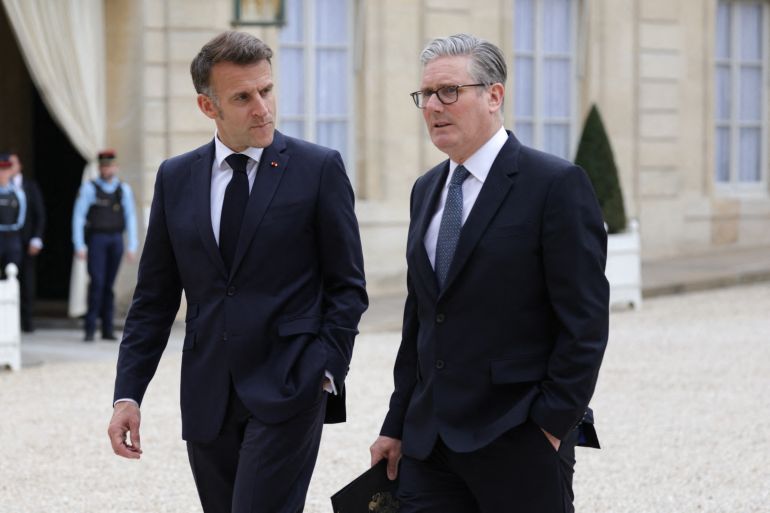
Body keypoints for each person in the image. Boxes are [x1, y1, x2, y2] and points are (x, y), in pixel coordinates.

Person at [107, 31, 367, 513]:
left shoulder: (318, 169)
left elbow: (348, 287)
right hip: (208, 396)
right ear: (209, 107)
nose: (262, 108)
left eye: (266, 91)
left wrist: (325, 372)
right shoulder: (175, 177)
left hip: (291, 387)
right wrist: (128, 395)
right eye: (243, 97)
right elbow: (154, 301)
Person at [369, 34, 609, 513]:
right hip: (428, 443)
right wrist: (396, 423)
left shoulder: (555, 185)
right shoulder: (426, 189)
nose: (434, 106)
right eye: (426, 95)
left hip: (517, 436)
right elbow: (420, 318)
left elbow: (585, 323)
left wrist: (550, 424)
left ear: (494, 95)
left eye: (449, 91)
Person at [71, 150, 138, 341]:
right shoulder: (89, 188)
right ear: (100, 168)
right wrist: (79, 244)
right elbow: (78, 216)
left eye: (110, 166)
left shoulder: (122, 189)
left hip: (115, 238)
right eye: (104, 166)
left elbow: (130, 217)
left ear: (115, 167)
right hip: (97, 239)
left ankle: (107, 329)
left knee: (109, 285)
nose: (107, 169)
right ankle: (90, 328)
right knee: (97, 283)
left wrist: (132, 245)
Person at [11, 153, 46, 332]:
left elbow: (39, 214)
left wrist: (37, 238)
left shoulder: (30, 186)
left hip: (26, 241)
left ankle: (27, 320)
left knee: (27, 282)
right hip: (8, 242)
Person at [0, 153, 26, 279]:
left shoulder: (17, 193)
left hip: (12, 236)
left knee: (12, 271)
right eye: (0, 170)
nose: (3, 174)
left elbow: (21, 217)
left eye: (5, 170)